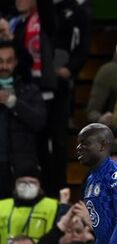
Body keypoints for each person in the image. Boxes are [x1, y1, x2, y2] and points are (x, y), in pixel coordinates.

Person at [0, 39, 46, 198]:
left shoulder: (29, 90)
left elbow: (39, 121)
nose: (4, 66)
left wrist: (13, 103)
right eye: (0, 61)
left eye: (9, 61)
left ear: (16, 63)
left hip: (21, 168)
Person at [0, 166, 68, 244]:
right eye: (22, 182)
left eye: (32, 182)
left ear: (39, 186)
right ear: (15, 185)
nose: (27, 186)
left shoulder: (53, 206)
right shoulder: (2, 206)